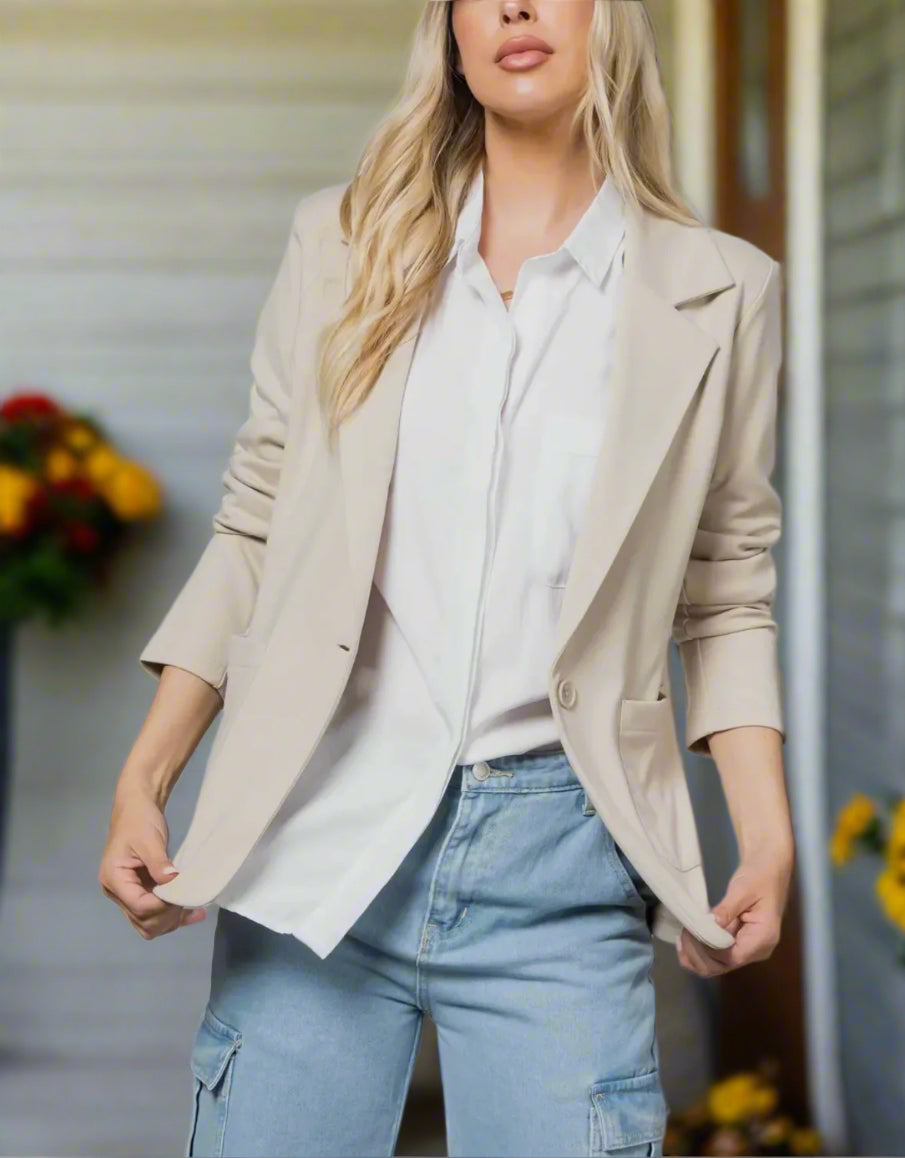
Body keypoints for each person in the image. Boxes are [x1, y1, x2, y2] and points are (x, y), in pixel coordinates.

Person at [98, 2, 795, 1155]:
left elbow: (723, 588)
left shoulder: (720, 293)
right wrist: (148, 771)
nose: (516, 7)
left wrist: (762, 841)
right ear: (453, 29)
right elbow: (256, 528)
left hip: (561, 863)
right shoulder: (337, 244)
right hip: (317, 824)